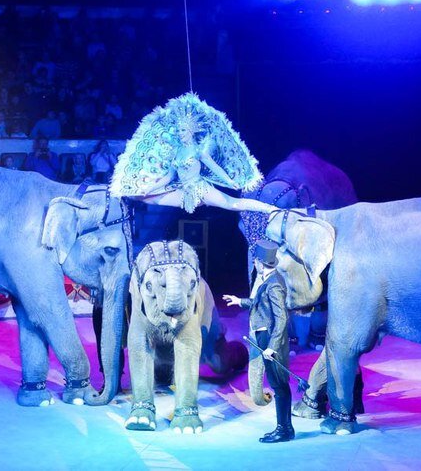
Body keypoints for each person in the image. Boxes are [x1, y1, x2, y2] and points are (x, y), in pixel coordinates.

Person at [110, 93, 275, 214]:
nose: (180, 133)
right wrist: (148, 188)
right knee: (143, 197)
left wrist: (230, 181)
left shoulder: (199, 151)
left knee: (233, 204)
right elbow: (169, 177)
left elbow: (215, 168)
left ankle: (271, 210)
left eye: (183, 130)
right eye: (179, 130)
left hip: (201, 190)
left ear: (190, 130)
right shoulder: (177, 151)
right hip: (183, 192)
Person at [223, 239, 294, 443]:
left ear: (260, 263)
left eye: (256, 261)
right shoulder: (268, 280)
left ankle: (284, 429)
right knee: (277, 384)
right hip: (264, 335)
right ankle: (285, 428)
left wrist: (272, 347)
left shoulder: (274, 285)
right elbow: (258, 303)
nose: (255, 263)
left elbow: (281, 318)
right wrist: (240, 301)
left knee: (279, 385)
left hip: (270, 338)